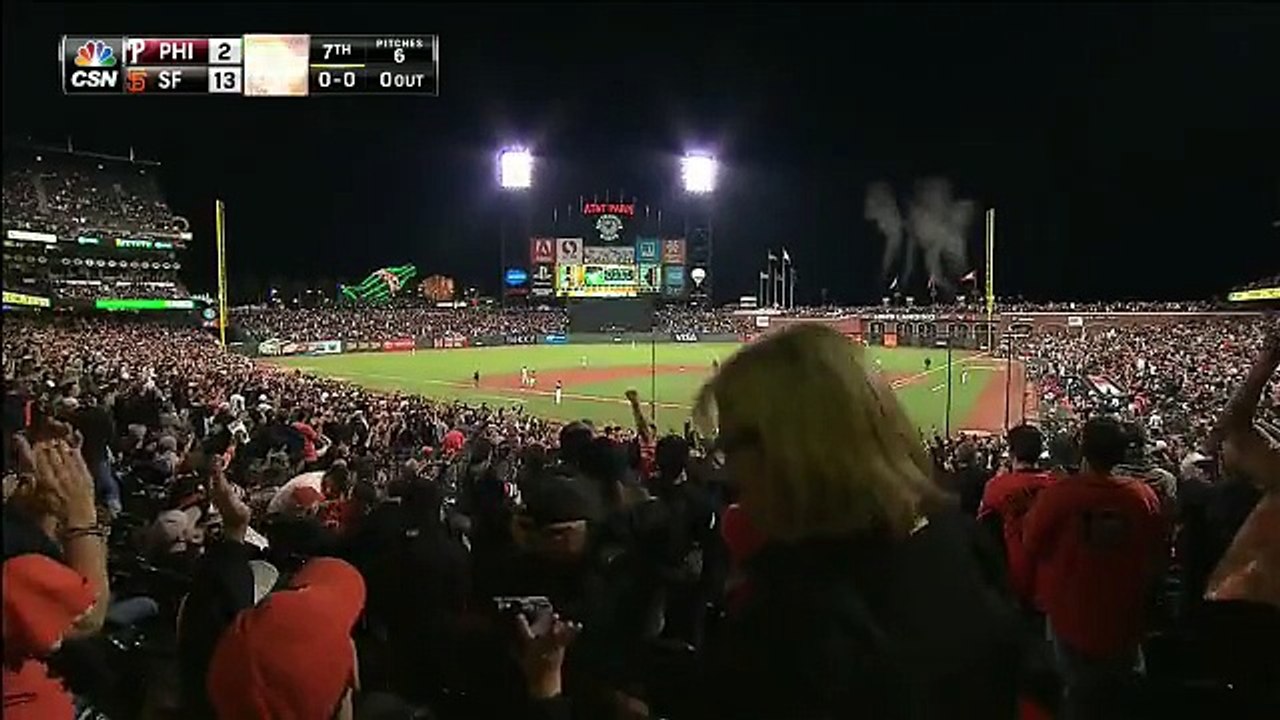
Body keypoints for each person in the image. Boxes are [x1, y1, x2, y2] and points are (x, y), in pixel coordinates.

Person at [688, 324, 1022, 718]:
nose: (728, 473)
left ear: (787, 450)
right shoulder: (957, 537)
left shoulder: (790, 626)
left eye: (730, 448)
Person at [1024, 415, 1168, 719]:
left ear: (1083, 451)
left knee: (1074, 692)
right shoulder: (1144, 497)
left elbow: (1031, 542)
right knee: (1118, 693)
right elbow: (1157, 555)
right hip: (1123, 615)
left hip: (1070, 613)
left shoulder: (1062, 494)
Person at [978, 424, 1057, 611]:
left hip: (1014, 585)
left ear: (1012, 453)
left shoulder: (996, 486)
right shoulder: (1057, 485)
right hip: (1053, 584)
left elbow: (981, 532)